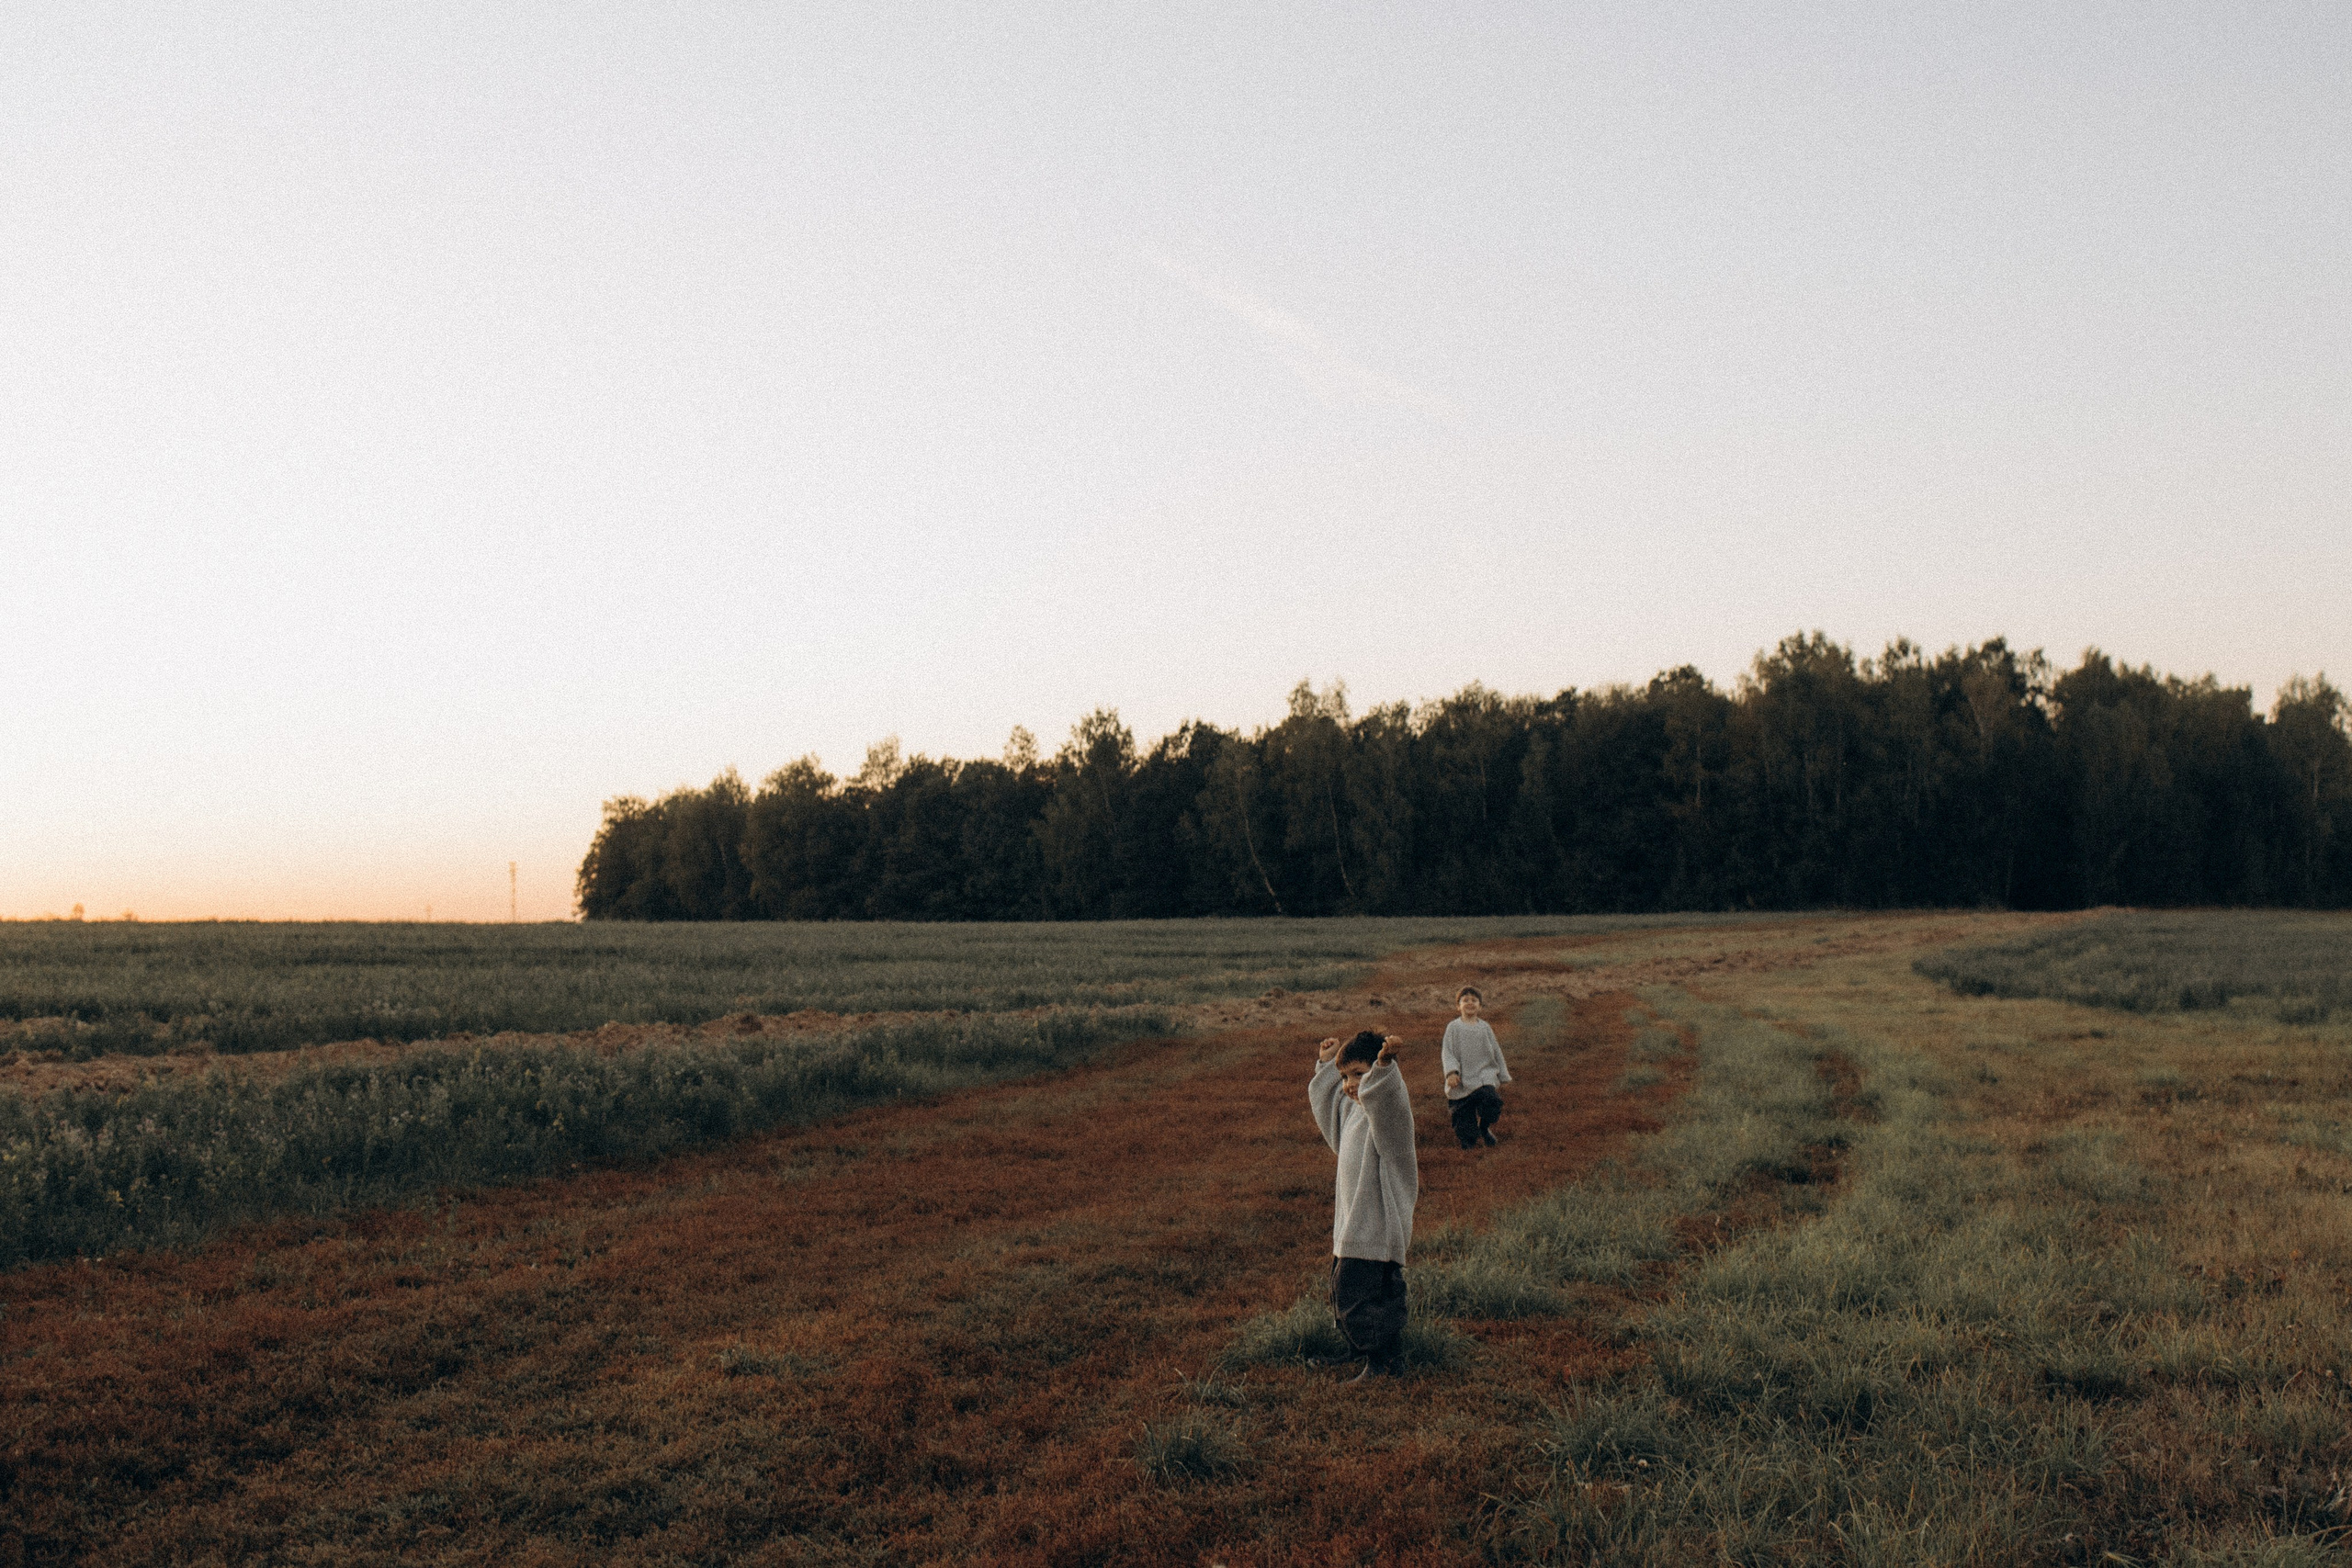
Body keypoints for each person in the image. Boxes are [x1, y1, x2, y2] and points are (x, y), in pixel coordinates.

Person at [1308, 1028, 1418, 1382]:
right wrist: (1326, 1068)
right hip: (1353, 1223)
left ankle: (1384, 1363)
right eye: (1344, 1076)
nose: (1349, 1085)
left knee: (1368, 1298)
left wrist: (1384, 1067)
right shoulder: (1355, 1111)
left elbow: (1387, 1098)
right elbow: (1332, 1114)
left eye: (1358, 1074)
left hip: (1377, 1224)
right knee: (1345, 1291)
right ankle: (1358, 1351)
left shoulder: (1389, 1115)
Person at [1442, 985, 1512, 1150]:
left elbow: (1496, 1051)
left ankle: (1484, 1127)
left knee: (1492, 1101)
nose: (1470, 1003)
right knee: (1466, 1131)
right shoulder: (1453, 1028)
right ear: (1458, 1006)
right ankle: (1470, 1140)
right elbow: (1447, 1052)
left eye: (1474, 1000)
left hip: (1483, 1077)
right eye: (1465, 1000)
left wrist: (1503, 1074)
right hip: (1461, 1080)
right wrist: (1451, 1073)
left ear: (1480, 1006)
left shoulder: (1485, 1027)